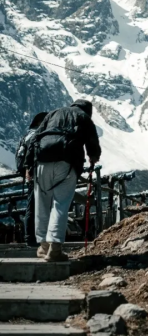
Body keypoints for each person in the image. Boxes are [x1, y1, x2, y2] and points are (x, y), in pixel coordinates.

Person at [27, 99, 101, 261]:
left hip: (42, 160)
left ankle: (43, 246)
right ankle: (55, 249)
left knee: (42, 204)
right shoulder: (84, 117)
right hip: (66, 162)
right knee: (60, 204)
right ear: (88, 110)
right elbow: (92, 141)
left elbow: (35, 138)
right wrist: (93, 157)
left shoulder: (54, 113)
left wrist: (28, 165)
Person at [15, 111, 48, 247]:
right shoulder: (37, 135)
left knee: (32, 205)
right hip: (36, 174)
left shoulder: (26, 136)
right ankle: (32, 238)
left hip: (30, 174)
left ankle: (31, 237)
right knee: (35, 206)